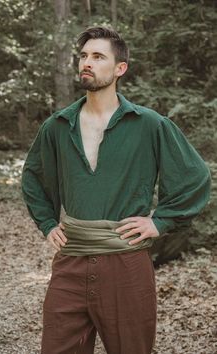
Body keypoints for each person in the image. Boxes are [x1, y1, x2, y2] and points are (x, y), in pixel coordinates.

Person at [21, 26, 211, 354]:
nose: (87, 63)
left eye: (98, 56)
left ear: (120, 68)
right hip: (71, 261)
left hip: (127, 264)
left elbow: (195, 177)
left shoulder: (150, 124)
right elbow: (34, 177)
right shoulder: (57, 126)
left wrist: (160, 221)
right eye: (83, 56)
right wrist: (48, 222)